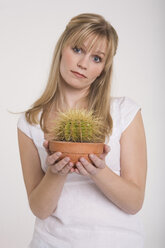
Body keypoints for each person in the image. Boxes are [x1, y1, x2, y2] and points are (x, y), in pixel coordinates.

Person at [17, 13, 147, 248]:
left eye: (96, 58)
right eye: (77, 49)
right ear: (62, 48)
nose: (83, 64)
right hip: (51, 242)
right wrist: (56, 173)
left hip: (119, 241)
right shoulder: (31, 122)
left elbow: (134, 202)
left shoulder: (125, 112)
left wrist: (98, 171)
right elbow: (40, 209)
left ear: (103, 70)